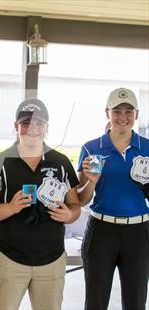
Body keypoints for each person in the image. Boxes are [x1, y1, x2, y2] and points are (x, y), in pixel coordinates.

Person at [0, 98, 81, 310]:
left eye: (39, 123)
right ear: (16, 126)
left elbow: (75, 205)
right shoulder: (0, 162)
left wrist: (69, 216)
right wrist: (11, 208)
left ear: (47, 127)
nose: (33, 128)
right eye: (26, 123)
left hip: (51, 260)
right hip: (8, 258)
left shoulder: (60, 162)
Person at [78, 87, 149, 310]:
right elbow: (80, 199)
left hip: (138, 232)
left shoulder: (147, 148)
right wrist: (91, 180)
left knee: (136, 301)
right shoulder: (91, 148)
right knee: (96, 301)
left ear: (136, 114)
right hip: (101, 230)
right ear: (107, 112)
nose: (123, 117)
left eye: (129, 111)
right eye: (117, 111)